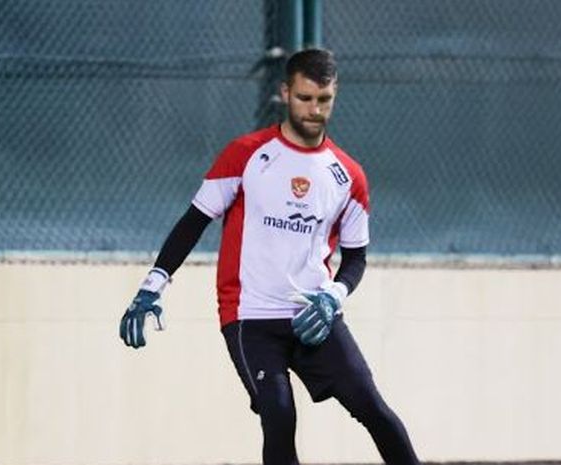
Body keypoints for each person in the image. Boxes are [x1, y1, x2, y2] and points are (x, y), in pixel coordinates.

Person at [119, 48, 421, 465]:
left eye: (324, 100)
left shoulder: (348, 176)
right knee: (279, 414)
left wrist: (335, 295)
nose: (314, 110)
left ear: (334, 96)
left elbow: (355, 259)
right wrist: (154, 283)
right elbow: (193, 221)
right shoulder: (245, 155)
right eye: (304, 98)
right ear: (285, 93)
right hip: (250, 317)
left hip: (314, 316)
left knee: (374, 408)